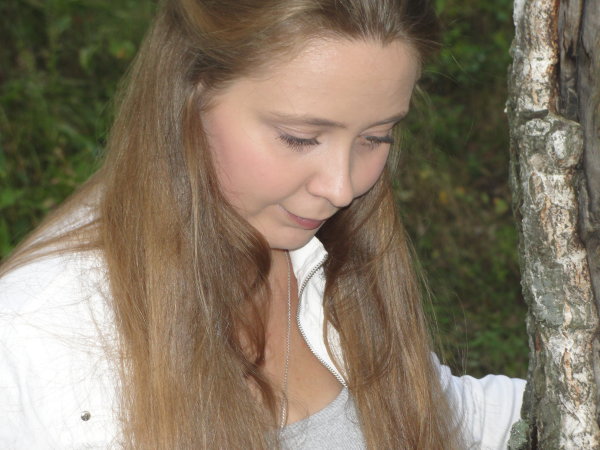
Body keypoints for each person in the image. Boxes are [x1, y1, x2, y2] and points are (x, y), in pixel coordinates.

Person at [0, 0, 525, 448]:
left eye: (376, 137)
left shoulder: (321, 259)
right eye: (300, 137)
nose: (341, 188)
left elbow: (445, 417)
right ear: (190, 93)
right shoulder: (39, 336)